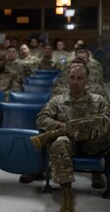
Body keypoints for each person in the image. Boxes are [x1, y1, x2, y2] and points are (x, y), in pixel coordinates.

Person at [31, 63, 110, 211]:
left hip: (94, 144)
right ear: (68, 78)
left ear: (87, 81)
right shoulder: (58, 100)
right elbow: (41, 119)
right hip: (70, 143)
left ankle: (53, 134)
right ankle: (67, 195)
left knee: (101, 120)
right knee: (58, 143)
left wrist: (70, 127)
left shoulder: (99, 100)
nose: (74, 81)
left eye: (79, 78)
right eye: (72, 77)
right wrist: (63, 127)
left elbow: (106, 123)